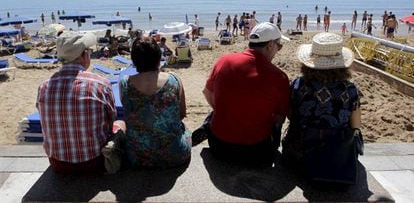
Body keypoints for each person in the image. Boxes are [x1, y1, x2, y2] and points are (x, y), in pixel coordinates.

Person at [193, 22, 290, 166]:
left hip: (219, 147)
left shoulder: (224, 61)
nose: (278, 50)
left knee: (215, 113)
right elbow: (280, 118)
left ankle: (207, 127)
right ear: (270, 45)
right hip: (256, 152)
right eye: (279, 45)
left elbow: (207, 92)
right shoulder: (279, 77)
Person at [36, 32, 125, 174]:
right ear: (84, 55)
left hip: (57, 165)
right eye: (89, 52)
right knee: (121, 123)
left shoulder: (43, 87)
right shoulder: (100, 84)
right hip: (95, 162)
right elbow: (110, 121)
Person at [282, 32, 362, 185]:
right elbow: (356, 125)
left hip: (300, 153)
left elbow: (291, 116)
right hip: (337, 157)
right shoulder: (350, 89)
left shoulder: (299, 84)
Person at [120, 38, 191, 168]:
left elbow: (128, 112)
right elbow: (182, 114)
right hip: (175, 155)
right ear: (159, 58)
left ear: (134, 61)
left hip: (137, 156)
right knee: (185, 130)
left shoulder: (125, 83)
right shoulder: (174, 80)